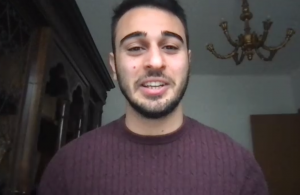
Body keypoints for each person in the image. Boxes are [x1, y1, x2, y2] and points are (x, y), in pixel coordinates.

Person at [38, 0, 269, 194]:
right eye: (136, 48)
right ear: (114, 67)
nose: (155, 62)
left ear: (188, 61)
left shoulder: (239, 167)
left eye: (169, 46)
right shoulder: (67, 168)